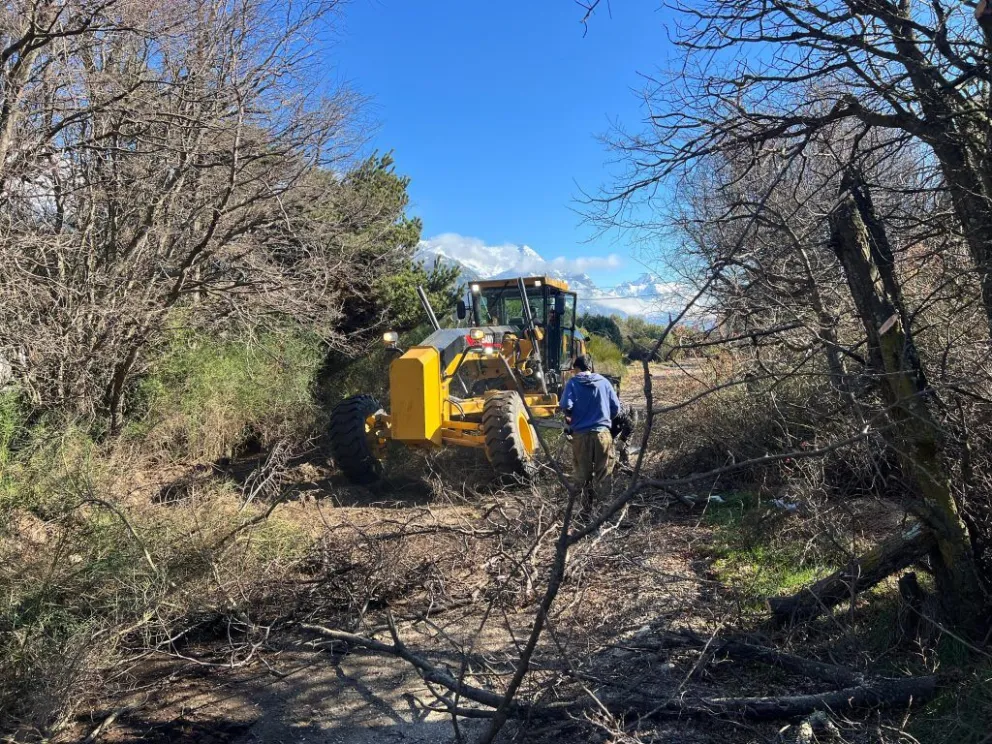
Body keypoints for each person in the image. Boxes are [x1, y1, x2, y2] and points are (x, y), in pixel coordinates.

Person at [560, 355, 622, 493]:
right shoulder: (604, 382)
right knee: (604, 475)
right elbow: (616, 408)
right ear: (590, 367)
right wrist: (604, 418)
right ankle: (603, 511)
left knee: (582, 478)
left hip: (581, 436)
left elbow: (565, 404)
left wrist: (570, 417)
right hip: (602, 434)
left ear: (576, 368)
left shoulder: (573, 383)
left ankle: (585, 512)